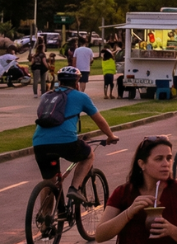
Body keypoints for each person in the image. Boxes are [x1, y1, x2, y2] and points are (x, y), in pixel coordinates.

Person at [32, 66, 120, 199]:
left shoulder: (46, 96)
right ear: (76, 82)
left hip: (40, 143)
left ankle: (45, 218)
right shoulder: (81, 96)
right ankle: (74, 188)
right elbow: (99, 120)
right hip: (66, 142)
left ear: (59, 82)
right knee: (88, 155)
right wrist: (110, 136)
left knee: (50, 182)